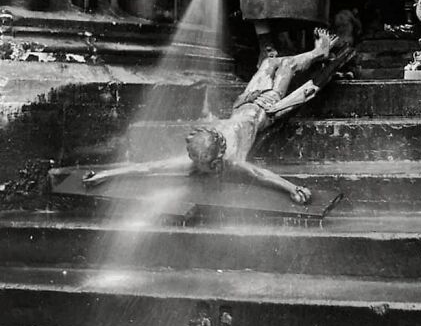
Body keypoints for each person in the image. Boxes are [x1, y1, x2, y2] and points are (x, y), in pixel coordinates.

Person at [82, 30, 348, 205]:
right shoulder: (217, 159)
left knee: (273, 63)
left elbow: (259, 174)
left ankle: (318, 54)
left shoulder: (222, 156)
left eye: (199, 163)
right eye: (196, 161)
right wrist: (107, 174)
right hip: (258, 106)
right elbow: (150, 168)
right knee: (280, 64)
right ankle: (317, 53)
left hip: (256, 104)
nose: (195, 166)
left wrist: (292, 188)